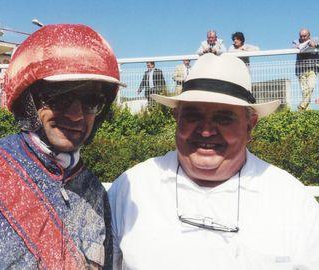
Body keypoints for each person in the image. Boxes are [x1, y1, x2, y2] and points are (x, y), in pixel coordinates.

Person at [0, 24, 125, 269]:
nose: (76, 115)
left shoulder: (92, 190)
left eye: (91, 101)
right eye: (61, 97)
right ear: (29, 101)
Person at [109, 53, 319, 269]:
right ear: (176, 118)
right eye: (193, 116)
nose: (206, 131)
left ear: (250, 125)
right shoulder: (132, 188)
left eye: (223, 118)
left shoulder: (291, 201)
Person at [292, 28, 319, 111]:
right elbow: (295, 47)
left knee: (310, 87)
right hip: (301, 70)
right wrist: (306, 44)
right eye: (301, 36)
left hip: (312, 69)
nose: (303, 38)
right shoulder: (296, 41)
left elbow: (316, 44)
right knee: (305, 91)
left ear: (309, 35)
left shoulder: (316, 39)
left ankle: (302, 106)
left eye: (305, 36)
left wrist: (315, 44)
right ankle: (305, 110)